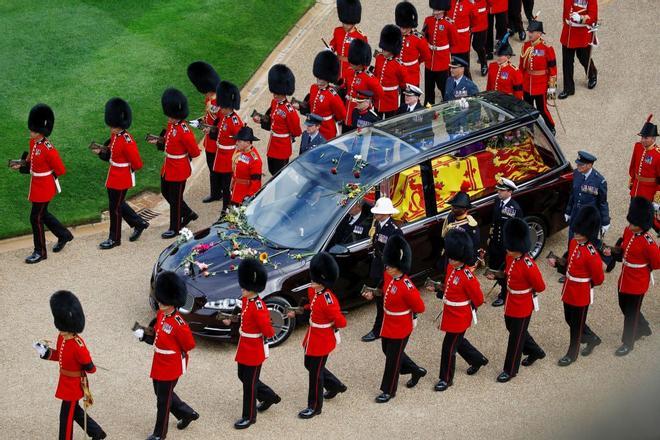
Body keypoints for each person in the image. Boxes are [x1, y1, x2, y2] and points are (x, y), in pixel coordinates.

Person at [133, 271, 199, 440]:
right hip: (159, 361)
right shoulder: (162, 314)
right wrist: (144, 335)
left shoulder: (179, 324)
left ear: (173, 301)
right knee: (161, 393)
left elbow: (189, 345)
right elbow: (157, 335)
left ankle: (159, 434)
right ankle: (186, 413)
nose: (160, 302)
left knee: (162, 401)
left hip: (170, 366)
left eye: (164, 300)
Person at [33, 290, 106, 440]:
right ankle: (97, 433)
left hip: (74, 385)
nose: (61, 331)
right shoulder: (62, 337)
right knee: (75, 412)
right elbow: (59, 356)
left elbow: (90, 368)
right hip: (65, 382)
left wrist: (88, 365)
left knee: (65, 417)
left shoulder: (78, 344)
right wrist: (45, 353)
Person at [11, 104, 73, 264]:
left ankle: (40, 252)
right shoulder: (34, 143)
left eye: (34, 130)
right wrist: (21, 165)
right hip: (37, 184)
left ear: (41, 132)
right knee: (43, 215)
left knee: (35, 218)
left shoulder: (48, 148)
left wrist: (45, 176)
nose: (30, 132)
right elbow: (31, 162)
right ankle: (64, 235)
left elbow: (60, 169)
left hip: (44, 187)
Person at [223, 258, 281, 429]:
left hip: (254, 348)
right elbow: (243, 319)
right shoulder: (248, 301)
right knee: (243, 376)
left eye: (245, 287)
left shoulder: (259, 306)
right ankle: (269, 396)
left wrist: (264, 327)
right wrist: (231, 321)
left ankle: (249, 417)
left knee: (249, 384)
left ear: (253, 288)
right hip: (244, 345)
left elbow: (269, 332)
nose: (242, 289)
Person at [289, 253, 348, 418]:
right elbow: (311, 306)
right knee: (310, 365)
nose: (311, 281)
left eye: (315, 279)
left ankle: (315, 407)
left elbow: (341, 322)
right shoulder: (312, 290)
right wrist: (299, 311)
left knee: (315, 374)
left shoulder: (329, 300)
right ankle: (335, 385)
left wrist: (331, 325)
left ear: (323, 280)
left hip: (322, 339)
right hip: (313, 335)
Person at [548, 206, 604, 366]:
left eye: (579, 232)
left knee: (575, 327)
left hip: (581, 293)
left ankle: (572, 355)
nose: (575, 233)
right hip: (569, 288)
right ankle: (592, 338)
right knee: (570, 319)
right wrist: (557, 264)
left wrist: (585, 284)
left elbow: (598, 278)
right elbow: (569, 265)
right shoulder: (573, 243)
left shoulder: (592, 253)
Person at [605, 198, 660, 356]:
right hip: (625, 277)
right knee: (624, 306)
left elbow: (657, 263)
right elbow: (623, 251)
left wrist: (642, 269)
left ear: (642, 224)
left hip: (638, 281)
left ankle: (628, 342)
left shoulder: (648, 242)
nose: (630, 226)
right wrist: (613, 252)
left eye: (633, 223)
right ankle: (643, 328)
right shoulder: (628, 231)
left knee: (631, 313)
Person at [435, 229, 488, 392]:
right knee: (459, 342)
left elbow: (479, 299)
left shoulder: (467, 276)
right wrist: (439, 290)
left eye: (453, 258)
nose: (450, 260)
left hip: (460, 316)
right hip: (451, 313)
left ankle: (446, 379)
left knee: (448, 348)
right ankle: (477, 359)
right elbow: (450, 288)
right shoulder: (452, 269)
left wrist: (466, 307)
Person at [375, 235, 426, 403]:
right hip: (389, 323)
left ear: (399, 267)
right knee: (387, 351)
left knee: (392, 360)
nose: (387, 267)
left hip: (401, 326)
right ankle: (416, 370)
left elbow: (420, 307)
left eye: (390, 265)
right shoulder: (390, 276)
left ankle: (389, 390)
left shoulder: (407, 287)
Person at [94, 98, 149, 249]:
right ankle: (139, 223)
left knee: (115, 208)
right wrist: (102, 152)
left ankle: (114, 239)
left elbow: (137, 163)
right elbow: (112, 154)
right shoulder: (115, 136)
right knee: (118, 204)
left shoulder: (126, 140)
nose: (110, 127)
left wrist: (123, 167)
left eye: (113, 125)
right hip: (113, 175)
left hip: (121, 178)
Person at [496, 218, 546, 382]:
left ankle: (510, 370)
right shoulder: (511, 257)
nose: (508, 249)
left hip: (523, 304)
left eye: (511, 248)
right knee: (513, 329)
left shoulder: (528, 264)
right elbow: (508, 274)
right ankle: (535, 351)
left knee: (515, 339)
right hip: (511, 301)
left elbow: (540, 286)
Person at [148, 88, 200, 239]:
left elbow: (195, 152)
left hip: (178, 169)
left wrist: (182, 156)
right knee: (166, 192)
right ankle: (188, 213)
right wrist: (160, 141)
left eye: (171, 116)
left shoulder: (184, 131)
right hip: (169, 165)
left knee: (175, 200)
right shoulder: (172, 125)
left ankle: (175, 227)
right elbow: (169, 141)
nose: (168, 118)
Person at [361, 197, 403, 343]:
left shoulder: (394, 230)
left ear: (386, 213)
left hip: (387, 269)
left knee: (383, 301)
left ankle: (378, 329)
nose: (376, 215)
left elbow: (396, 254)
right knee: (381, 301)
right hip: (378, 265)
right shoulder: (379, 225)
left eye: (379, 212)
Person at [253, 64, 302, 176]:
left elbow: (296, 131)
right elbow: (271, 120)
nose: (274, 95)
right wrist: (260, 120)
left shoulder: (289, 110)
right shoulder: (274, 103)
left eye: (277, 93)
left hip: (282, 147)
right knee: (272, 171)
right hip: (273, 143)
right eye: (274, 92)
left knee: (279, 175)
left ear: (283, 92)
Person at [186, 61, 221, 203]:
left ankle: (221, 193)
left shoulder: (218, 101)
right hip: (210, 140)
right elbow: (208, 118)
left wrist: (202, 126)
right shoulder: (209, 98)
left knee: (218, 170)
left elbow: (219, 124)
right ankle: (216, 193)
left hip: (217, 141)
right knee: (212, 169)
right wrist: (199, 122)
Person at [486, 178, 523, 307]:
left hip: (506, 246)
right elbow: (494, 222)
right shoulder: (497, 202)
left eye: (501, 191)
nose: (498, 192)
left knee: (505, 270)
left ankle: (504, 293)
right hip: (496, 242)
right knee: (496, 267)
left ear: (509, 191)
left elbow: (518, 230)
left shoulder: (515, 208)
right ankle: (503, 286)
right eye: (498, 190)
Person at [209, 81, 243, 215]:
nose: (219, 108)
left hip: (229, 156)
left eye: (222, 106)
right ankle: (225, 207)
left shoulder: (235, 121)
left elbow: (240, 141)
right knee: (223, 184)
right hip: (221, 154)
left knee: (227, 185)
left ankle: (227, 208)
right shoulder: (225, 117)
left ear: (228, 106)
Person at [519, 19, 557, 135]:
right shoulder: (525, 46)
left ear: (539, 34)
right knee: (528, 108)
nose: (529, 34)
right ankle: (529, 128)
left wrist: (552, 91)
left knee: (542, 109)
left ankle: (550, 126)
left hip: (540, 85)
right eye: (529, 31)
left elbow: (553, 70)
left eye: (532, 31)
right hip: (527, 83)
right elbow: (522, 67)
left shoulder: (547, 48)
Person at [297, 51, 346, 141]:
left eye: (322, 79)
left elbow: (342, 114)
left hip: (326, 130)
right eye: (318, 78)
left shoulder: (332, 95)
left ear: (328, 79)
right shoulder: (313, 88)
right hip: (312, 126)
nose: (319, 81)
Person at [564, 151, 610, 243]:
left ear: (589, 165)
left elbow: (602, 202)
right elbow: (573, 194)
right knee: (572, 241)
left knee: (587, 243)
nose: (578, 166)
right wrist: (568, 211)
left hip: (589, 218)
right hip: (576, 214)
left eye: (581, 165)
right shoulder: (576, 173)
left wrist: (605, 221)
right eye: (578, 164)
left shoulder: (599, 181)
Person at [558, 0, 598, 99]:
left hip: (581, 34)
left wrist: (581, 18)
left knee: (584, 58)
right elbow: (566, 11)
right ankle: (568, 88)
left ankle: (592, 74)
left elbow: (593, 15)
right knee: (567, 62)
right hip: (569, 33)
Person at [342, 39, 384, 132]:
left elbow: (380, 94)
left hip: (360, 112)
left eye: (354, 63)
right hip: (348, 109)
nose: (351, 64)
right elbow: (346, 86)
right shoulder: (349, 71)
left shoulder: (369, 78)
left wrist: (368, 103)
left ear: (361, 63)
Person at [423, 0, 456, 104]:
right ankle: (429, 109)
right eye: (434, 9)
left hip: (442, 61)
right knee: (429, 89)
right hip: (430, 61)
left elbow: (454, 41)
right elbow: (424, 36)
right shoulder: (428, 20)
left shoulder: (448, 24)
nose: (434, 11)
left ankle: (447, 107)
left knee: (444, 88)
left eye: (436, 9)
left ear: (442, 10)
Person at [440, 191, 481, 275]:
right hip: (449, 257)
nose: (452, 209)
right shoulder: (451, 217)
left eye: (456, 207)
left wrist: (471, 264)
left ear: (464, 209)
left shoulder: (471, 225)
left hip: (461, 262)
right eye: (453, 206)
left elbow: (474, 246)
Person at [329, 0, 368, 85]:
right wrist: (330, 48)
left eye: (348, 24)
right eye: (344, 23)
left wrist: (360, 75)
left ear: (354, 22)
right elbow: (334, 42)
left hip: (351, 71)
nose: (345, 26)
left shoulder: (360, 37)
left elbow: (364, 59)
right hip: (338, 69)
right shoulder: (338, 31)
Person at [374, 24, 407, 118]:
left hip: (390, 100)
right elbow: (376, 75)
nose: (383, 50)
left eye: (386, 49)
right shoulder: (379, 58)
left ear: (392, 49)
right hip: (378, 98)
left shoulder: (399, 65)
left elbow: (403, 83)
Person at [395, 1, 431, 87]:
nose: (403, 30)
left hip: (411, 75)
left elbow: (426, 55)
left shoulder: (418, 39)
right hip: (397, 75)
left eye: (405, 27)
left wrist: (416, 62)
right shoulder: (395, 35)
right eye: (401, 27)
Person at [628, 116, 659, 203]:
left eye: (646, 138)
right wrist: (633, 180)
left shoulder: (658, 154)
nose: (642, 140)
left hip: (649, 192)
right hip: (636, 189)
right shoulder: (638, 147)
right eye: (642, 137)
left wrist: (658, 194)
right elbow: (633, 165)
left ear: (653, 139)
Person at [230, 126, 263, 206]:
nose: (236, 143)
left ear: (248, 142)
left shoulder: (255, 160)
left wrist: (249, 197)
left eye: (239, 141)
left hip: (244, 196)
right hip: (235, 191)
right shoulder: (240, 151)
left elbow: (256, 182)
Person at [486, 33, 523, 100]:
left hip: (507, 103)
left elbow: (518, 93)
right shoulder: (492, 66)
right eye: (498, 55)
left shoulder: (515, 72)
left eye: (500, 56)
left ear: (508, 56)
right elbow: (489, 86)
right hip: (494, 100)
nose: (498, 58)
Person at [449, 0, 477, 79]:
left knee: (464, 67)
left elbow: (474, 20)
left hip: (462, 40)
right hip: (451, 40)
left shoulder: (469, 4)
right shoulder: (449, 3)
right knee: (452, 66)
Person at [470, 0, 490, 76]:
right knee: (465, 50)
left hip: (480, 20)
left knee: (478, 45)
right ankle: (465, 69)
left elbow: (489, 3)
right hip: (465, 20)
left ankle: (483, 63)